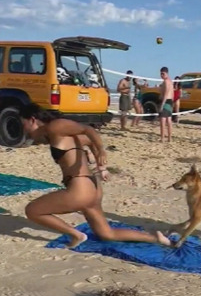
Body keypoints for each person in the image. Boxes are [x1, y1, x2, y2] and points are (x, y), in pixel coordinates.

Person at [18, 103, 171, 248]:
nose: (23, 129)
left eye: (23, 123)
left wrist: (101, 151)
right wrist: (101, 166)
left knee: (32, 210)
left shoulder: (55, 126)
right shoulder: (59, 136)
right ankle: (155, 238)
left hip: (80, 189)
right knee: (107, 234)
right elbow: (86, 140)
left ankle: (76, 235)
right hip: (93, 187)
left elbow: (88, 130)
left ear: (32, 120)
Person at [159, 66, 174, 142]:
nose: (161, 75)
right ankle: (169, 138)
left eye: (163, 74)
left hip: (166, 101)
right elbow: (173, 93)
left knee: (163, 121)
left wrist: (162, 105)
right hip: (170, 101)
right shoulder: (170, 81)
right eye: (161, 74)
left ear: (167, 73)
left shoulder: (166, 82)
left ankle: (162, 138)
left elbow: (166, 93)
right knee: (169, 121)